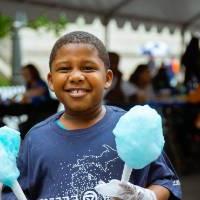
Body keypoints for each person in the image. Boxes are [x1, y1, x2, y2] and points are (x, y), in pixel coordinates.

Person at [2, 31, 181, 200]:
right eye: (64, 69)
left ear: (108, 78)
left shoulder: (132, 127)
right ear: (51, 81)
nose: (76, 76)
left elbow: (166, 182)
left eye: (88, 68)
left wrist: (146, 196)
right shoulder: (36, 139)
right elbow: (14, 191)